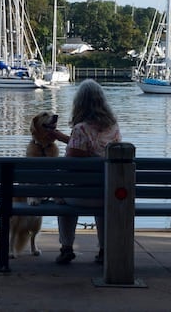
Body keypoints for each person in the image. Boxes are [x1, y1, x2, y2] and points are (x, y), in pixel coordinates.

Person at [49, 79, 121, 265]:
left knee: (64, 198)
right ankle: (104, 250)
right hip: (106, 194)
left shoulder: (80, 129)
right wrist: (62, 137)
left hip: (79, 195)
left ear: (79, 103)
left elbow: (73, 161)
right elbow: (92, 151)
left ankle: (66, 248)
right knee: (102, 202)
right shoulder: (113, 127)